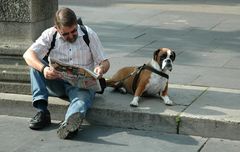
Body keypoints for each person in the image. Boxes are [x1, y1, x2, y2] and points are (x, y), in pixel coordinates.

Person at [23, 7, 110, 139]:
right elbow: (28, 55)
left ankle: (69, 124)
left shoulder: (88, 34)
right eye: (65, 34)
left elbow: (105, 62)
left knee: (81, 101)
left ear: (76, 24)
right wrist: (44, 69)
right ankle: (42, 112)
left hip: (81, 86)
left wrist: (100, 68)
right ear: (57, 28)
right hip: (56, 82)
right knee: (34, 66)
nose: (71, 36)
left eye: (73, 31)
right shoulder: (50, 34)